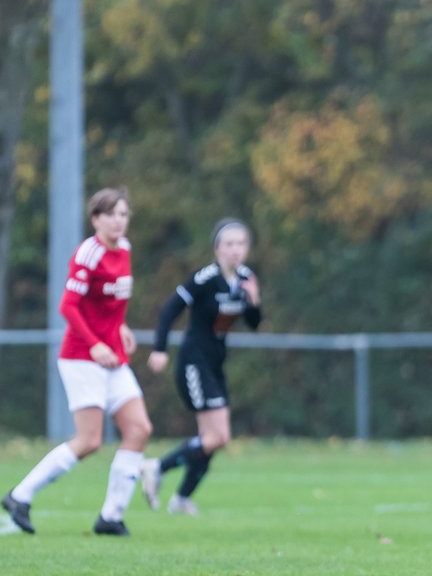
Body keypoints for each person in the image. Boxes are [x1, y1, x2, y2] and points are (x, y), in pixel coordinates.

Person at [2, 188, 153, 536]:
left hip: (112, 355)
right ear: (96, 219)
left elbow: (110, 302)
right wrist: (97, 343)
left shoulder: (125, 249)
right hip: (82, 357)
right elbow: (68, 306)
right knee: (89, 441)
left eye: (124, 214)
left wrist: (122, 327)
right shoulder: (89, 252)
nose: (119, 220)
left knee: (139, 430)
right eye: (111, 214)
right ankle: (19, 495)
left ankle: (110, 517)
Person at [140, 219, 261, 514]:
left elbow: (254, 323)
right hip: (194, 362)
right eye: (229, 244)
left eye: (241, 244)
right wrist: (159, 349)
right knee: (218, 437)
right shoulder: (205, 278)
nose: (235, 250)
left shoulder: (245, 278)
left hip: (215, 364)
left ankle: (181, 499)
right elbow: (170, 309)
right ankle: (157, 467)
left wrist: (254, 300)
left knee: (211, 440)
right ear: (217, 248)